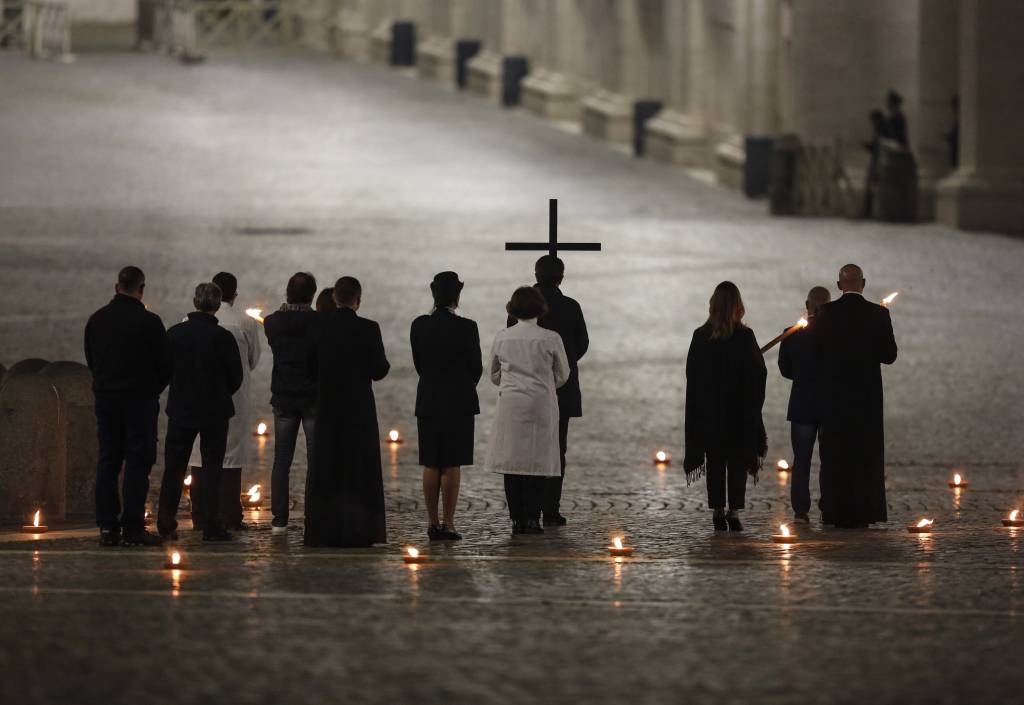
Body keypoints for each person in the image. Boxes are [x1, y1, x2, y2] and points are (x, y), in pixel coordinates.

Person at [84, 266, 172, 546]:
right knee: (138, 460)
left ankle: (107, 526)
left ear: (116, 286)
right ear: (142, 289)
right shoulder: (150, 322)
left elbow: (92, 359)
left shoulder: (97, 320)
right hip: (140, 400)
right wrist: (151, 389)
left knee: (108, 459)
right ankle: (133, 526)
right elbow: (165, 364)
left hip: (107, 398)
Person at [304, 277, 390, 547]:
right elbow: (380, 369)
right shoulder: (369, 328)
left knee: (327, 465)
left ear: (335, 298)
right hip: (359, 408)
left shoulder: (319, 328)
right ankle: (360, 529)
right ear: (358, 300)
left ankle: (324, 530)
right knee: (359, 467)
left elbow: (309, 368)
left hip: (328, 406)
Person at [157, 283, 243, 541]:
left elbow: (163, 370)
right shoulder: (223, 337)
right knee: (212, 467)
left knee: (174, 465)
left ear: (194, 302)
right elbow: (235, 377)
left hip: (181, 408)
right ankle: (211, 523)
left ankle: (165, 519)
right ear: (216, 306)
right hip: (214, 410)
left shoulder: (174, 334)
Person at [814, 264, 897, 527]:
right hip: (867, 398)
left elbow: (817, 354)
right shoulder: (879, 314)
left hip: (835, 397)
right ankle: (865, 510)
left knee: (836, 454)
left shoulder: (825, 313)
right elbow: (889, 355)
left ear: (839, 286)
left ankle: (836, 510)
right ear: (864, 283)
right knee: (866, 454)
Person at [507, 255, 588, 526]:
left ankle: (524, 512)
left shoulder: (519, 306)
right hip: (560, 390)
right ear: (561, 277)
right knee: (556, 449)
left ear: (536, 274)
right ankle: (550, 509)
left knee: (523, 448)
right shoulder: (571, 306)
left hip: (523, 389)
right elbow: (581, 345)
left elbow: (513, 343)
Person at [683, 281, 767, 532]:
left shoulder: (701, 336)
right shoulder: (745, 337)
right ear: (738, 306)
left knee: (715, 460)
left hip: (710, 413)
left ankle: (717, 510)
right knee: (738, 460)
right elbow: (758, 374)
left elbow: (692, 375)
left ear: (713, 305)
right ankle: (734, 511)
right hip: (739, 413)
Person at [487, 286, 569, 535]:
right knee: (537, 459)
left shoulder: (502, 337)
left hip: (511, 403)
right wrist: (544, 385)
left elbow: (493, 374)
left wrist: (511, 384)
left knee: (512, 461)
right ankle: (533, 518)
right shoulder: (550, 338)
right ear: (540, 309)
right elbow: (563, 374)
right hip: (541, 402)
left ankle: (516, 518)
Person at [410, 272, 482, 541]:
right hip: (459, 400)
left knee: (431, 463)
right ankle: (449, 523)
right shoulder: (467, 327)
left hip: (428, 397)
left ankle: (432, 522)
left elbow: (419, 364)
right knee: (452, 464)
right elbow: (476, 368)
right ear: (457, 296)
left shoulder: (419, 325)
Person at [186, 272, 261, 532]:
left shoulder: (186, 321)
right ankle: (229, 514)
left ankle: (199, 512)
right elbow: (252, 360)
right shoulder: (245, 323)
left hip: (195, 394)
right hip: (233, 396)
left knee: (198, 454)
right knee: (232, 455)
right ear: (233, 294)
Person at [263, 272, 319, 534]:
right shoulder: (319, 323)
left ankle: (279, 518)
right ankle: (313, 515)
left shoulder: (273, 322)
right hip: (311, 398)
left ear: (287, 292)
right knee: (314, 459)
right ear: (313, 294)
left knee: (281, 460)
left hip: (283, 396)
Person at [779, 286, 831, 523]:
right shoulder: (837, 335)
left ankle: (801, 509)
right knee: (829, 459)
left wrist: (801, 377)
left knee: (801, 460)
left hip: (801, 404)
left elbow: (784, 369)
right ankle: (828, 505)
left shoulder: (791, 334)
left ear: (807, 304)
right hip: (830, 404)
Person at [862, 109, 889, 218]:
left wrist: (868, 146)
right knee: (871, 187)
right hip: (877, 161)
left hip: (878, 162)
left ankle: (869, 212)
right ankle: (869, 211)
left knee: (873, 186)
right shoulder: (879, 131)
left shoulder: (881, 132)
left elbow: (878, 147)